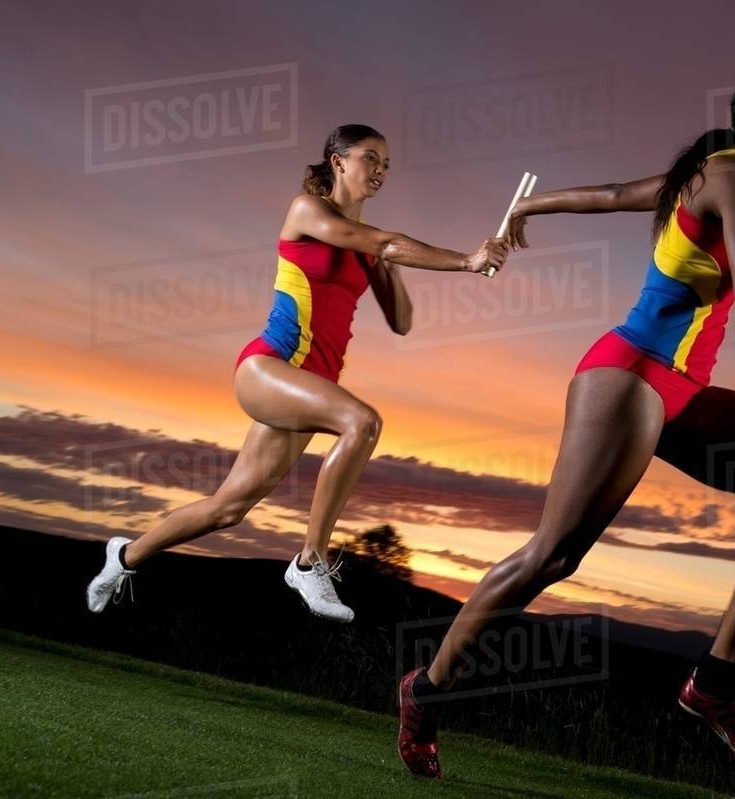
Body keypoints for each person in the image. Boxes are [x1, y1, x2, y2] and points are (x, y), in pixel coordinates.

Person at [398, 52, 735, 778]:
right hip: (630, 375)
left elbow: (612, 194)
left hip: (685, 388)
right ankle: (426, 687)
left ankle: (713, 685)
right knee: (553, 556)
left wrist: (532, 206)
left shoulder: (711, 168)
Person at [86, 124, 509, 622]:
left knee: (228, 509)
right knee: (362, 423)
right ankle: (310, 561)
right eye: (370, 158)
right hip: (269, 366)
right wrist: (466, 260)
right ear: (337, 161)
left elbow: (401, 321)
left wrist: (384, 262)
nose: (380, 170)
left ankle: (124, 556)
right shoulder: (307, 211)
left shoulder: (368, 245)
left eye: (387, 164)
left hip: (307, 389)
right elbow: (390, 243)